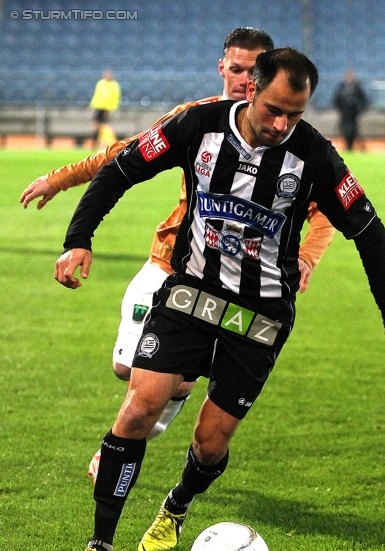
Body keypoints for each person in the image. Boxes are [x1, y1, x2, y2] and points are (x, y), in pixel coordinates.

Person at [54, 47, 385, 551]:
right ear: (251, 88)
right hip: (191, 295)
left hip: (260, 317)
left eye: (296, 114)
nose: (282, 124)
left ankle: (178, 504)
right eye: (274, 109)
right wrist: (79, 240)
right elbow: (121, 169)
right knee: (140, 409)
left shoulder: (315, 156)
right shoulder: (197, 125)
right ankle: (99, 546)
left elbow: (368, 230)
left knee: (210, 443)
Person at [20, 28, 336, 483]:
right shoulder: (197, 119)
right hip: (170, 259)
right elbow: (123, 156)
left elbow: (324, 207)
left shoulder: (291, 143)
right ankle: (157, 405)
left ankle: (122, 445)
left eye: (254, 71)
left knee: (175, 378)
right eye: (237, 68)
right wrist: (62, 179)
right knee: (124, 366)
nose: (245, 79)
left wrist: (307, 255)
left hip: (236, 282)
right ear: (222, 68)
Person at [333, 69, 368, 151]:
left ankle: (351, 145)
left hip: (354, 113)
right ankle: (347, 144)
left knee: (353, 129)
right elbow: (336, 99)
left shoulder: (357, 86)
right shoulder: (341, 86)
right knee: (344, 129)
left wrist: (359, 108)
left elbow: (364, 99)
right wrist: (340, 108)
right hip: (344, 112)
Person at [89, 70, 121, 146]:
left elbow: (115, 98)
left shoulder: (115, 85)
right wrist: (92, 105)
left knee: (104, 126)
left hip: (107, 108)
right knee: (96, 125)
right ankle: (95, 141)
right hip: (98, 107)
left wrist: (110, 109)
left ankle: (103, 142)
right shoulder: (100, 83)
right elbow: (97, 95)